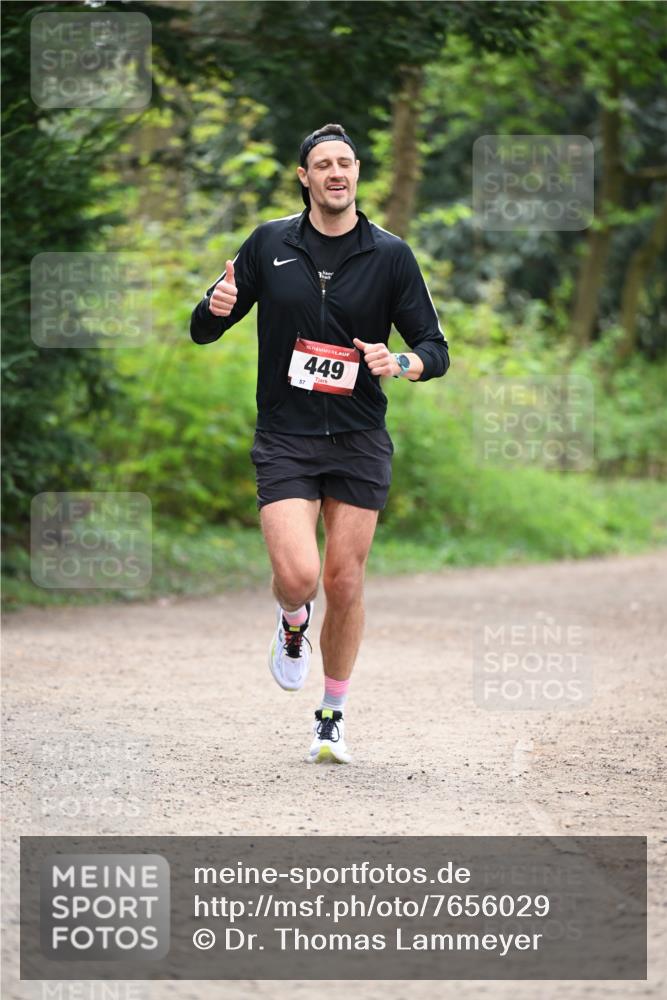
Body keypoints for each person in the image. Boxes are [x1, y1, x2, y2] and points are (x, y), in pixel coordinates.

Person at [190, 123, 449, 764]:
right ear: (304, 178)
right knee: (300, 577)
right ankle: (291, 621)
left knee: (346, 581)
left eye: (346, 163)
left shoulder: (390, 255)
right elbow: (202, 330)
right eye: (323, 165)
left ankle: (331, 714)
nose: (336, 173)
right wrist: (213, 305)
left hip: (359, 438)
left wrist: (403, 363)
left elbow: (435, 350)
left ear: (358, 173)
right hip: (286, 436)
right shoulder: (270, 244)